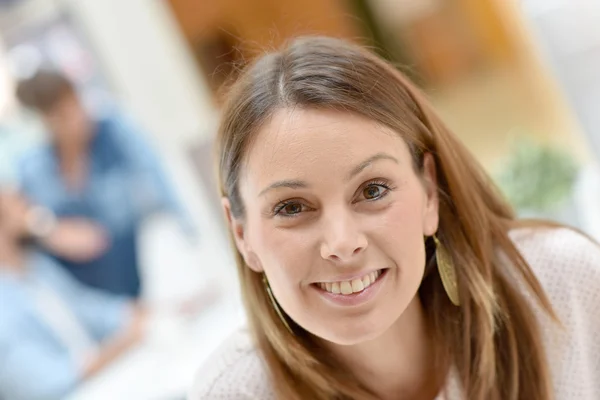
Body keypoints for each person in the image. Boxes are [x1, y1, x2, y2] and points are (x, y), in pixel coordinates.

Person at [190, 36, 600, 399]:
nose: (343, 242)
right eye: (291, 207)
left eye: (373, 191)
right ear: (242, 235)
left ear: (427, 194)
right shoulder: (235, 392)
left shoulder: (561, 283)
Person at [14, 70, 193, 297]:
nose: (76, 119)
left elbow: (159, 183)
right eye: (61, 116)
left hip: (137, 270)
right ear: (45, 121)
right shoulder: (34, 167)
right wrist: (53, 231)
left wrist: (188, 234)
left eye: (75, 104)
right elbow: (21, 217)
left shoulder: (115, 132)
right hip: (85, 289)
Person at [0, 189, 146, 400]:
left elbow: (85, 308)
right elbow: (40, 385)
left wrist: (136, 313)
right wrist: (119, 347)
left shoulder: (37, 267)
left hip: (106, 385)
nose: (30, 208)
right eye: (18, 204)